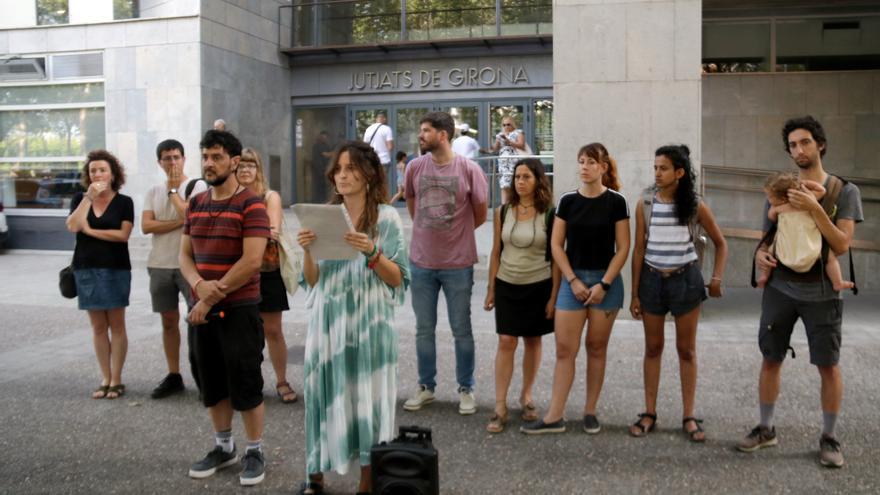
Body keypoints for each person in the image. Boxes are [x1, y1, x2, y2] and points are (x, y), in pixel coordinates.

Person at [738, 116, 863, 468]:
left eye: (805, 142)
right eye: (793, 145)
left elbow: (840, 244)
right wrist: (761, 254)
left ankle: (830, 437)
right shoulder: (782, 188)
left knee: (828, 365)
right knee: (770, 357)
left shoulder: (842, 191)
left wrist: (813, 208)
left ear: (820, 144)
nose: (799, 150)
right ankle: (765, 428)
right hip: (780, 288)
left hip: (823, 290)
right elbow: (768, 235)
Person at [295, 141, 409, 495]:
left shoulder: (387, 217)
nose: (342, 176)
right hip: (329, 319)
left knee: (368, 399)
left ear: (369, 173)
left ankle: (366, 480)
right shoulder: (324, 215)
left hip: (370, 321)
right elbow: (312, 279)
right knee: (322, 393)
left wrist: (372, 251)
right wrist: (307, 251)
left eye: (350, 169)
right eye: (338, 170)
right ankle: (315, 476)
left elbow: (398, 278)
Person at [181, 130, 271, 486]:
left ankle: (254, 450)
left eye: (216, 157)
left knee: (245, 380)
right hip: (201, 308)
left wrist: (206, 297)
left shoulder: (252, 203)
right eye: (205, 156)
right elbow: (184, 255)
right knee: (211, 381)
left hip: (239, 308)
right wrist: (197, 285)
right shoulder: (196, 202)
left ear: (234, 162)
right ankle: (223, 446)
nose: (208, 163)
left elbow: (252, 261)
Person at [521, 143, 630, 435]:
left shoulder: (617, 202)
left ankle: (590, 411)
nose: (584, 167)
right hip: (574, 281)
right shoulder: (567, 201)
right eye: (581, 161)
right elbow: (556, 245)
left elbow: (624, 248)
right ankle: (554, 416)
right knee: (564, 350)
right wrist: (572, 280)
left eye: (591, 162)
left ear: (603, 167)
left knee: (596, 348)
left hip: (606, 284)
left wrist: (604, 283)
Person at [628, 144, 728, 442]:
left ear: (679, 173)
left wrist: (716, 278)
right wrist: (634, 294)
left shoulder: (695, 205)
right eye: (655, 167)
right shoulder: (646, 202)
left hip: (686, 281)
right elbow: (639, 250)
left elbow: (721, 243)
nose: (657, 173)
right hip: (651, 283)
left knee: (686, 350)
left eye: (664, 168)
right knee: (653, 348)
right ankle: (649, 413)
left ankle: (688, 415)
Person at [403, 111, 488, 415]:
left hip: (458, 263)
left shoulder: (468, 169)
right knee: (424, 329)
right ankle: (426, 387)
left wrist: (455, 234)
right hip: (422, 263)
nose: (421, 135)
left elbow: (480, 212)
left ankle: (466, 389)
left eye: (426, 130)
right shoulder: (414, 167)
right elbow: (413, 205)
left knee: (461, 329)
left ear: (443, 134)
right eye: (421, 130)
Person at [484, 158, 559, 433]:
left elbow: (556, 257)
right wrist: (491, 288)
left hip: (539, 283)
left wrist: (553, 296)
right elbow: (495, 251)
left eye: (526, 176)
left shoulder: (550, 212)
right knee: (506, 341)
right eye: (517, 177)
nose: (520, 181)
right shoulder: (503, 211)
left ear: (538, 180)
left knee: (533, 341)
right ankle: (500, 405)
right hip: (507, 283)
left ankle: (526, 396)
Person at [65, 150, 134, 400]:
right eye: (93, 170)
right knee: (97, 326)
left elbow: (122, 236)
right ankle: (105, 378)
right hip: (86, 268)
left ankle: (117, 379)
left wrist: (91, 231)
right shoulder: (79, 199)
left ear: (112, 174)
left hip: (116, 268)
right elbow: (73, 226)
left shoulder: (124, 202)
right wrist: (87, 199)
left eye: (102, 169)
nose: (97, 174)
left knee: (117, 324)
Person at [142, 139, 208, 399]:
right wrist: (178, 221)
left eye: (176, 157)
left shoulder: (197, 186)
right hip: (159, 264)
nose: (172, 162)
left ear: (184, 158)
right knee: (168, 321)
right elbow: (146, 226)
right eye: (167, 158)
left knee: (198, 321)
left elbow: (192, 217)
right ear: (159, 162)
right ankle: (174, 375)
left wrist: (173, 195)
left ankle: (203, 376)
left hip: (189, 265)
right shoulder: (152, 191)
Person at [236, 147, 297, 404]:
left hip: (266, 270)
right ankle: (250, 381)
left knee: (273, 330)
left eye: (251, 165)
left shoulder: (269, 196)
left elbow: (270, 231)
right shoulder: (230, 196)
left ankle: (282, 380)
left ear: (258, 169)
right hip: (238, 271)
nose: (246, 170)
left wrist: (238, 234)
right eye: (241, 166)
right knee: (244, 331)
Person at [757, 172, 854, 291]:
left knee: (770, 252)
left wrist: (774, 207)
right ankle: (837, 282)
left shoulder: (779, 208)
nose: (768, 199)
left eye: (770, 197)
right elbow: (822, 190)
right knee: (830, 257)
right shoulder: (807, 201)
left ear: (782, 198)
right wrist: (803, 184)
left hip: (787, 246)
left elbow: (771, 217)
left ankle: (764, 276)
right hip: (810, 245)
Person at [489, 116, 527, 204]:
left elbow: (522, 145)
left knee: (513, 183)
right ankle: (504, 207)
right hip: (503, 163)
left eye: (508, 124)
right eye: (504, 125)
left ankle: (514, 204)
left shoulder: (518, 133)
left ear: (512, 124)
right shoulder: (500, 135)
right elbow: (495, 148)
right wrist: (489, 149)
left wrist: (509, 141)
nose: (506, 126)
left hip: (513, 161)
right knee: (504, 184)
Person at [363, 112, 394, 194]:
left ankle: (371, 201)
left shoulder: (368, 129)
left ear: (376, 119)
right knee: (382, 182)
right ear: (384, 119)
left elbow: (365, 146)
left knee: (372, 181)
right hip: (383, 160)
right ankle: (382, 201)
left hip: (371, 160)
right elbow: (390, 146)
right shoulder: (387, 129)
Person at [311, 131, 334, 202]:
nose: (325, 139)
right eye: (323, 137)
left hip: (324, 169)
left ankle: (323, 200)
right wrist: (337, 152)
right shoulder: (317, 145)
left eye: (326, 137)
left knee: (323, 186)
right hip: (318, 169)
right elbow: (326, 154)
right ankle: (318, 201)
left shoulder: (326, 145)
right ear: (320, 136)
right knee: (319, 186)